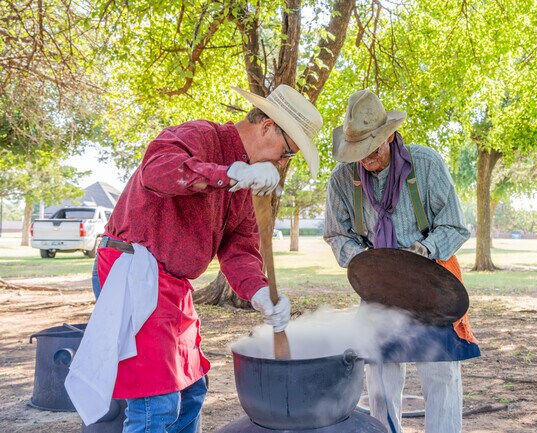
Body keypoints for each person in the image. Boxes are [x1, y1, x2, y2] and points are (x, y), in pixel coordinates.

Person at [65, 84, 323, 433]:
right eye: (287, 152)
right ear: (267, 128)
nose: (281, 163)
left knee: (191, 391)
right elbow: (157, 171)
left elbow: (239, 249)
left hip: (173, 286)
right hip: (134, 270)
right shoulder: (200, 136)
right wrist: (229, 174)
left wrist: (259, 292)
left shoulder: (245, 190)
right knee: (156, 402)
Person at [323, 89, 480, 433]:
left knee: (440, 373)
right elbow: (337, 235)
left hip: (431, 281)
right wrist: (364, 261)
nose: (363, 158)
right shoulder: (341, 180)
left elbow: (455, 225)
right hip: (378, 286)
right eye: (356, 151)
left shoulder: (425, 164)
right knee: (379, 377)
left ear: (389, 135)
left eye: (371, 149)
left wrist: (423, 251)